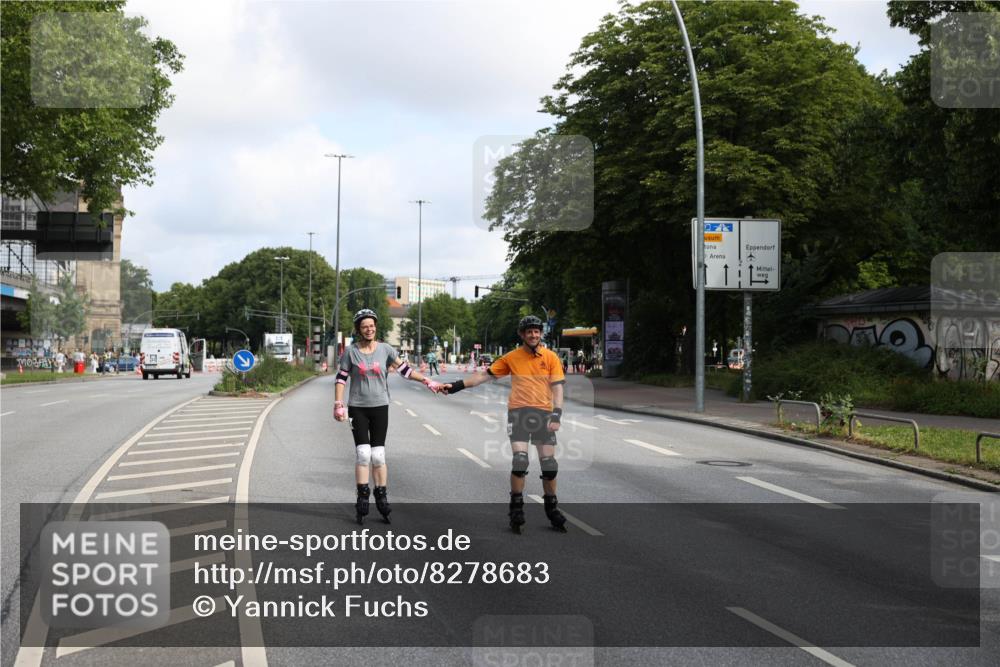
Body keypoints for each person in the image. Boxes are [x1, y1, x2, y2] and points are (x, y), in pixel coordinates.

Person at [441, 315, 567, 533]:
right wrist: (455, 386)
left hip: (544, 415)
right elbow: (483, 376)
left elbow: (557, 387)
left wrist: (557, 414)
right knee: (520, 461)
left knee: (549, 464)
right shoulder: (511, 357)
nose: (533, 335)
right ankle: (516, 508)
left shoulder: (551, 357)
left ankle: (551, 507)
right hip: (518, 413)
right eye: (529, 331)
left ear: (541, 333)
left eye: (536, 331)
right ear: (522, 334)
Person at [334, 309, 445, 524]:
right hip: (357, 406)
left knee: (378, 456)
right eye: (365, 326)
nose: (369, 329)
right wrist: (338, 403)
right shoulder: (351, 352)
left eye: (372, 325)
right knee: (363, 454)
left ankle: (382, 496)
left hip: (380, 406)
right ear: (359, 329)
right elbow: (341, 378)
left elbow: (405, 371)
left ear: (376, 327)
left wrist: (426, 381)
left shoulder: (385, 350)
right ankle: (363, 495)